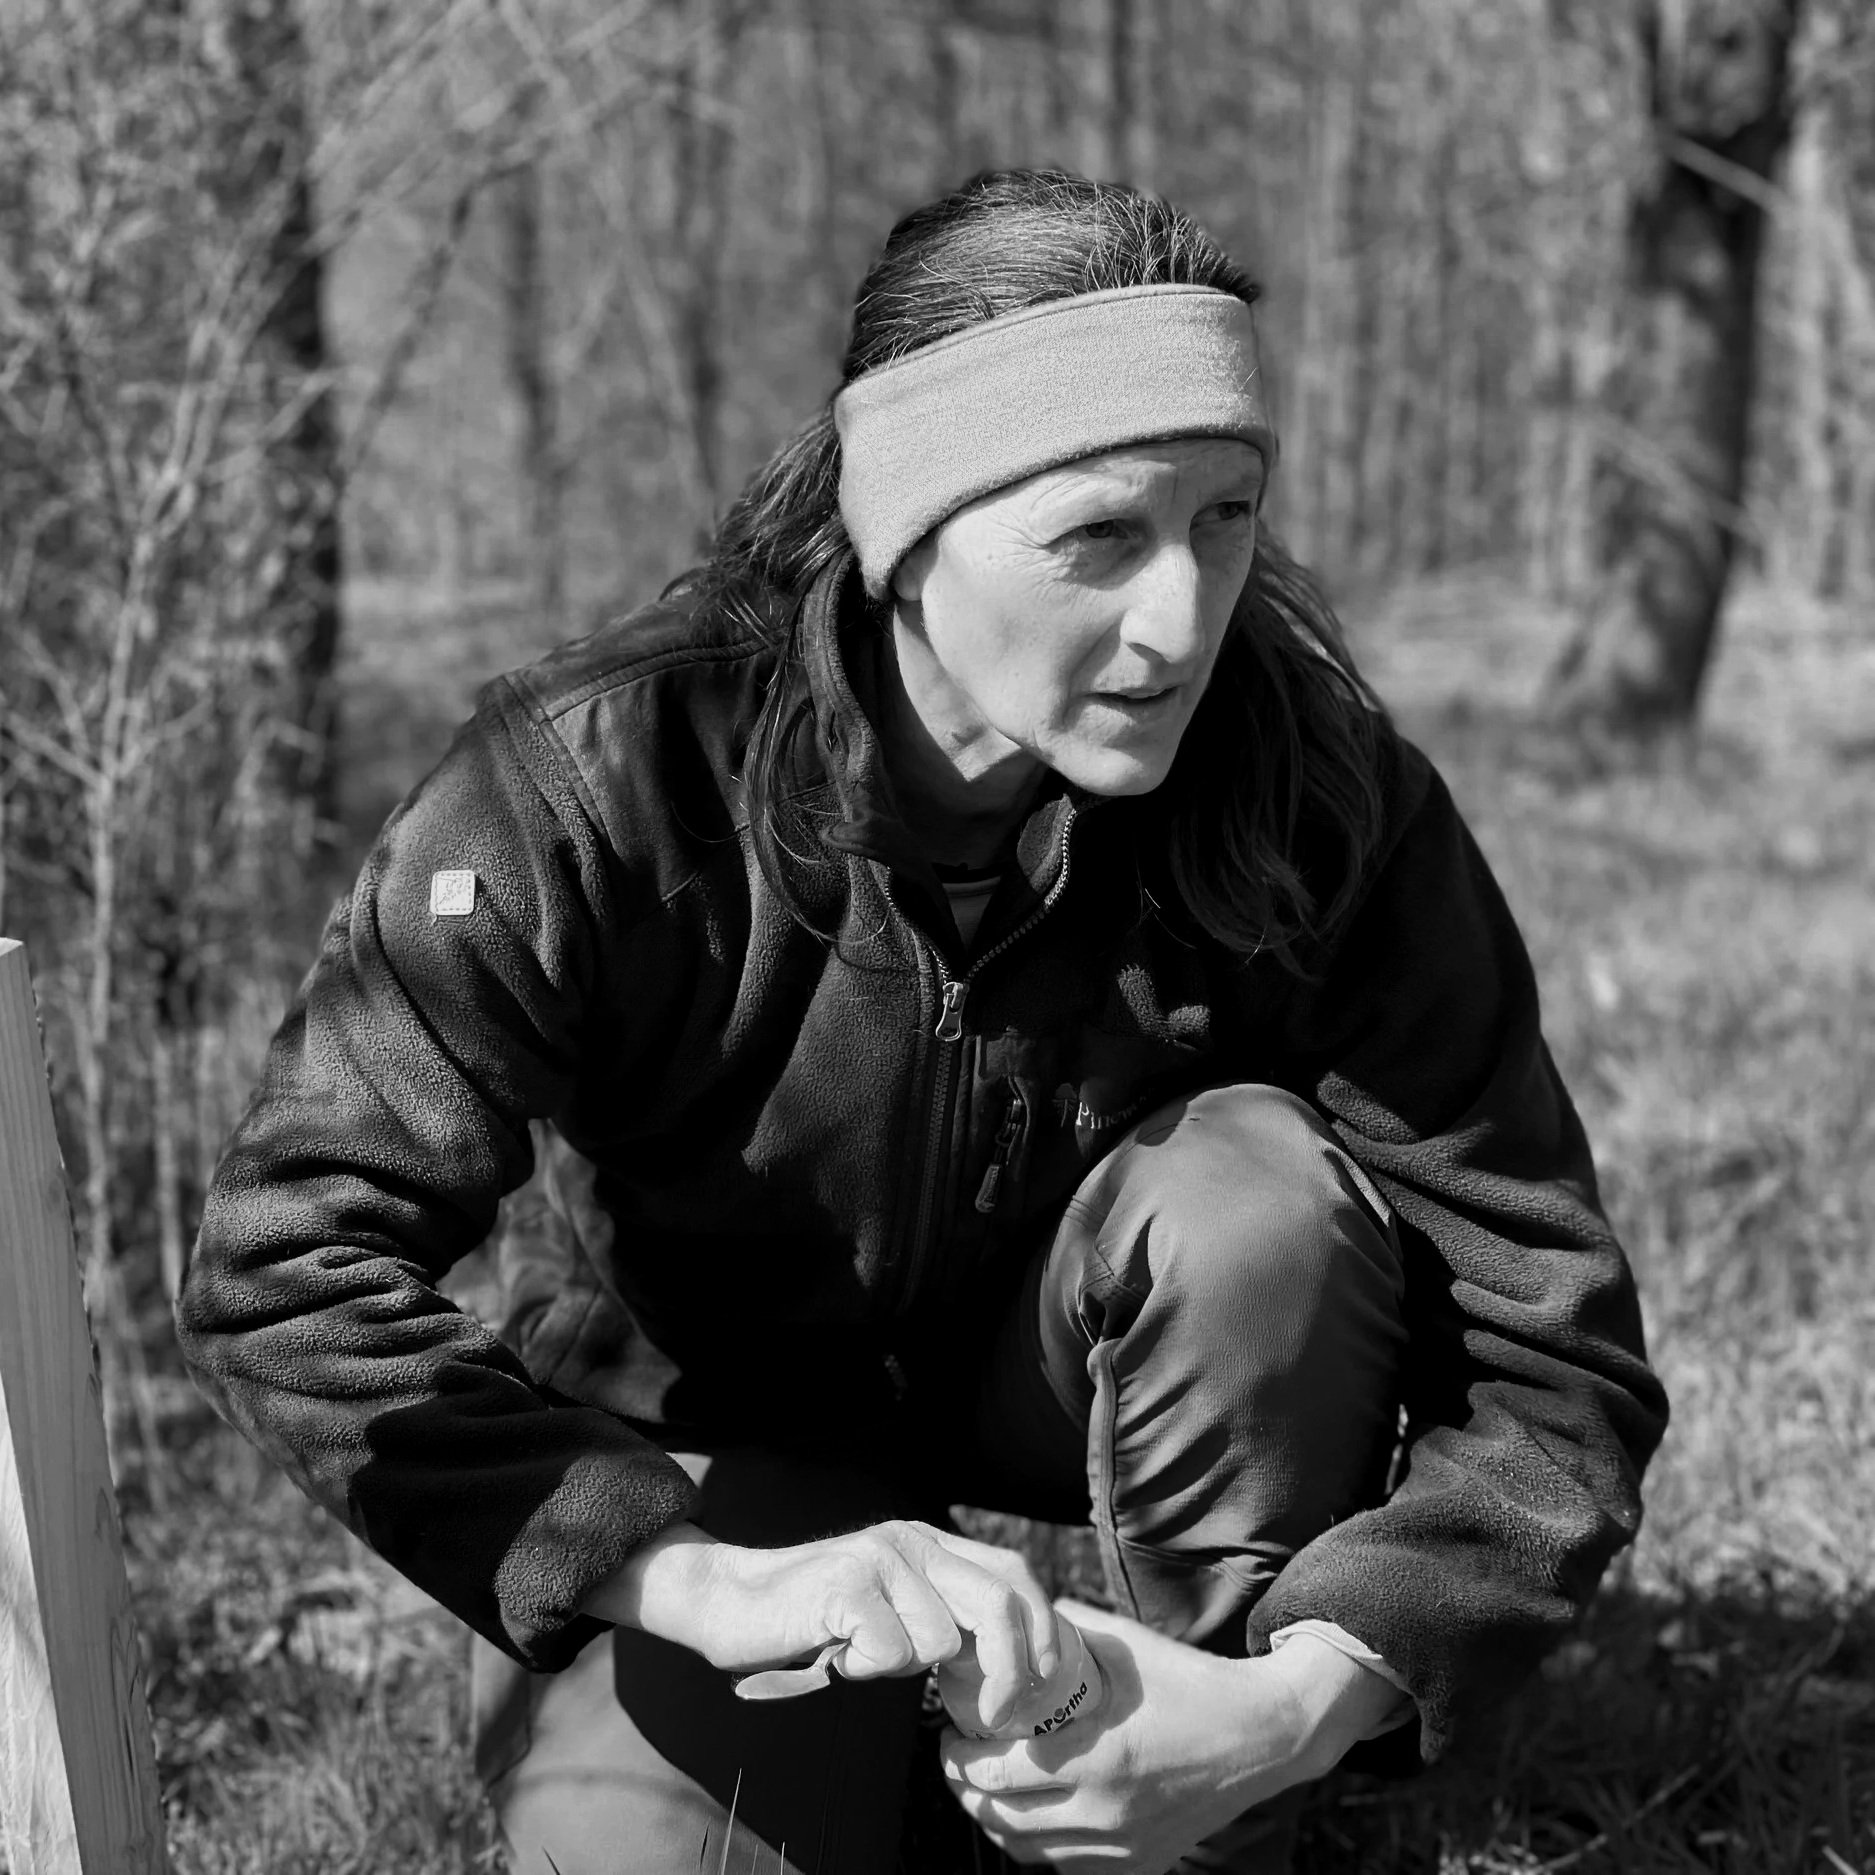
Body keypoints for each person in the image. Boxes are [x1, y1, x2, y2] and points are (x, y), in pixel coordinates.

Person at [176, 169, 1667, 1875]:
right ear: (904, 532)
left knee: (1257, 1200)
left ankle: (1203, 1772)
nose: (1183, 617)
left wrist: (1305, 1700)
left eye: (1227, 516)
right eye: (1098, 536)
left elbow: (1555, 1349)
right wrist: (696, 1581)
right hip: (707, 1427)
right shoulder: (599, 787)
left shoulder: (1316, 795)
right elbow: (284, 1263)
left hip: (1084, 1358)